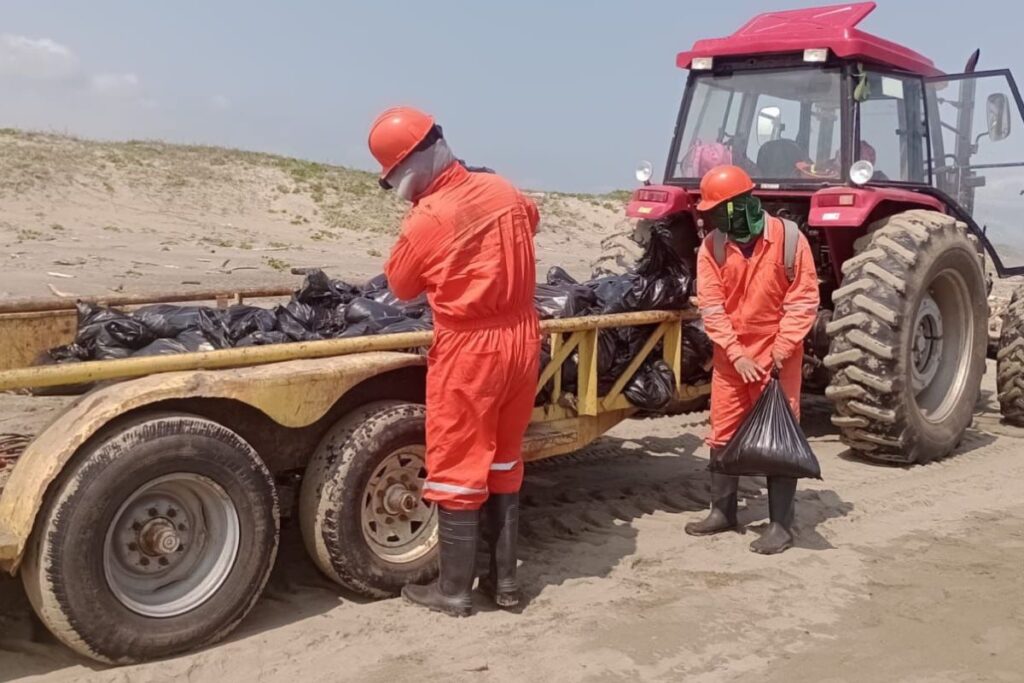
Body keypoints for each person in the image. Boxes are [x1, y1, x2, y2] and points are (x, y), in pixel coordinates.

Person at [368, 106, 541, 615]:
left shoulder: (429, 218)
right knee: (506, 458)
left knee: (459, 464)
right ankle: (505, 585)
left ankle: (454, 591)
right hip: (522, 338)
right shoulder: (504, 190)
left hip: (471, 349)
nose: (398, 187)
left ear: (409, 167)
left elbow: (400, 287)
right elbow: (531, 218)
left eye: (394, 178)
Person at [686, 165, 819, 554]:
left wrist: (779, 351)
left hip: (779, 355)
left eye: (720, 209)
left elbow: (803, 301)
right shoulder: (711, 247)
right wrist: (735, 352)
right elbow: (711, 306)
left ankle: (781, 526)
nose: (715, 218)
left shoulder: (790, 241)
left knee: (779, 435)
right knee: (723, 431)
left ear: (743, 204)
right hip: (732, 356)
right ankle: (723, 511)